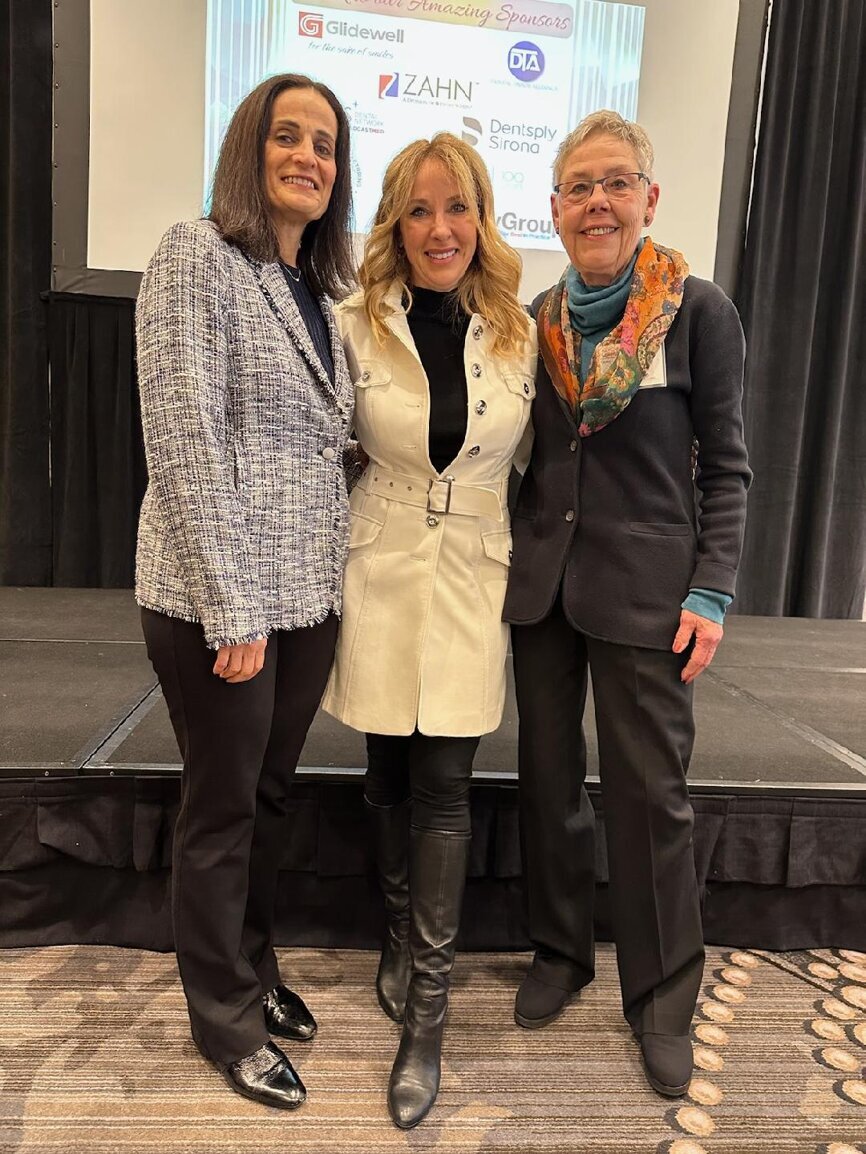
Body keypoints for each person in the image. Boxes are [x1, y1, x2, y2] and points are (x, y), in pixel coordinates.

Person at [503, 110, 751, 1098]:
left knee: (652, 801)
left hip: (650, 593)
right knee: (548, 781)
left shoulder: (695, 312)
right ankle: (559, 953)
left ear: (647, 198)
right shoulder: (536, 318)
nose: (596, 201)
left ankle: (660, 995)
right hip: (543, 587)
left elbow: (725, 467)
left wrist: (711, 585)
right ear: (554, 210)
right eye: (578, 187)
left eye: (615, 182)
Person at [135, 73, 356, 1110]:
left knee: (266, 799)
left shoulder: (317, 290)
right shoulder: (196, 256)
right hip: (218, 599)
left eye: (323, 142)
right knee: (222, 808)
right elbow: (184, 439)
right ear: (249, 146)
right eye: (287, 134)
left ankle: (254, 967)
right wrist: (232, 608)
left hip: (305, 596)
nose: (306, 154)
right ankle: (222, 1014)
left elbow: (321, 441)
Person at [321, 132, 535, 1128]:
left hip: (470, 575)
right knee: (385, 773)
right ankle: (399, 938)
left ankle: (429, 1019)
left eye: (457, 208)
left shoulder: (522, 333)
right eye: (418, 209)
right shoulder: (351, 324)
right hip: (381, 559)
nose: (439, 227)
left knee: (444, 783)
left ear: (481, 218)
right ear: (394, 224)